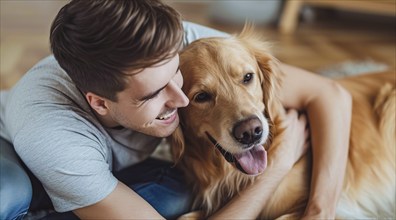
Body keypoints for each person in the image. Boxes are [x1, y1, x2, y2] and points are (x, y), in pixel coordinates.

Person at [0, 0, 352, 219]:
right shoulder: (54, 138)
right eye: (155, 93)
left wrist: (321, 210)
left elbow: (330, 94)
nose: (182, 99)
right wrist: (276, 168)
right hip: (16, 152)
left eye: (178, 78)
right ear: (99, 102)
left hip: (99, 163)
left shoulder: (174, 43)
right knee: (9, 195)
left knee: (184, 195)